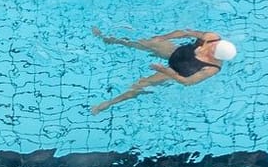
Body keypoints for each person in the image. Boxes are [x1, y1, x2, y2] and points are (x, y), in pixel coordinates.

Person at [90, 26, 236, 114]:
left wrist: (165, 71)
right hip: (178, 52)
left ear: (216, 56)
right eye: (213, 45)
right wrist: (163, 37)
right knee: (139, 43)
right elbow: (184, 32)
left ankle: (107, 104)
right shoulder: (211, 37)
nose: (210, 47)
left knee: (140, 85)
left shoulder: (212, 68)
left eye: (213, 50)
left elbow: (187, 82)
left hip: (177, 70)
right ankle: (107, 38)